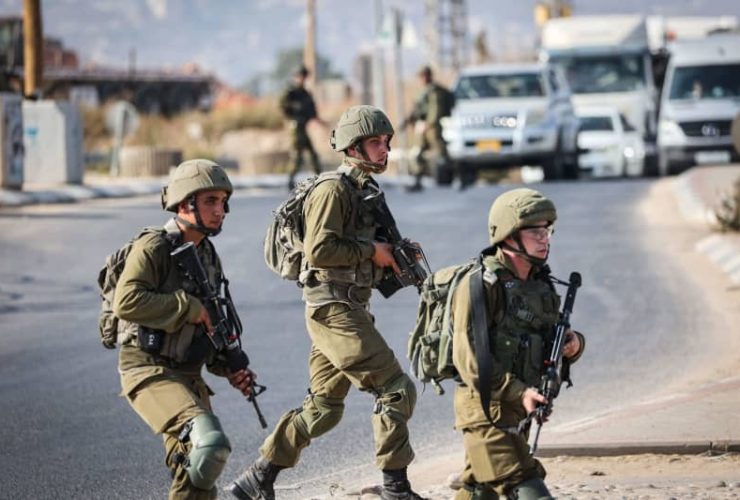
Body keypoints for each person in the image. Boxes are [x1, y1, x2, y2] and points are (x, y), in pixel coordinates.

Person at [227, 105, 425, 500]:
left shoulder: (363, 190)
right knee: (396, 389)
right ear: (352, 147)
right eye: (375, 142)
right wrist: (372, 251)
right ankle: (396, 488)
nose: (384, 149)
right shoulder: (333, 190)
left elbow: (356, 249)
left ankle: (257, 479)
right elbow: (320, 250)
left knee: (323, 408)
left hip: (347, 306)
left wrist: (395, 253)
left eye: (386, 141)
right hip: (334, 310)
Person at [113, 159, 257, 500]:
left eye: (223, 202)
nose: (219, 210)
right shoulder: (155, 247)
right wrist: (187, 307)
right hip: (149, 369)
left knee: (197, 477)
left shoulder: (206, 253)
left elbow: (210, 321)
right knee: (209, 444)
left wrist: (229, 366)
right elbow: (126, 301)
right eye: (210, 201)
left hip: (189, 374)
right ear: (184, 203)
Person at [450, 188, 585, 500]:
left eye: (547, 231)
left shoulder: (540, 284)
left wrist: (575, 345)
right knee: (526, 484)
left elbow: (549, 342)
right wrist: (519, 392)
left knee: (479, 490)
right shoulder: (481, 286)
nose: (545, 239)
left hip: (519, 411)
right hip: (486, 411)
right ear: (509, 235)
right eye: (536, 232)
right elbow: (470, 361)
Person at [402, 65, 453, 192]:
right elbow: (417, 109)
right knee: (417, 153)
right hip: (423, 127)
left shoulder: (434, 91)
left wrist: (428, 124)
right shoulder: (422, 92)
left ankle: (454, 177)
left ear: (429, 76)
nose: (422, 79)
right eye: (421, 76)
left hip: (432, 128)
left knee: (442, 154)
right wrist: (409, 121)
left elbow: (436, 109)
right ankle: (417, 181)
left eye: (424, 76)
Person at [280, 65, 326, 190]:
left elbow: (312, 110)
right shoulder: (291, 93)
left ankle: (319, 178)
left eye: (304, 77)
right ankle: (290, 180)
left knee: (312, 154)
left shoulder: (305, 93)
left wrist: (318, 120)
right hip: (295, 127)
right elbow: (283, 107)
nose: (302, 79)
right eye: (300, 77)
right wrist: (290, 117)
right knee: (298, 155)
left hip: (303, 127)